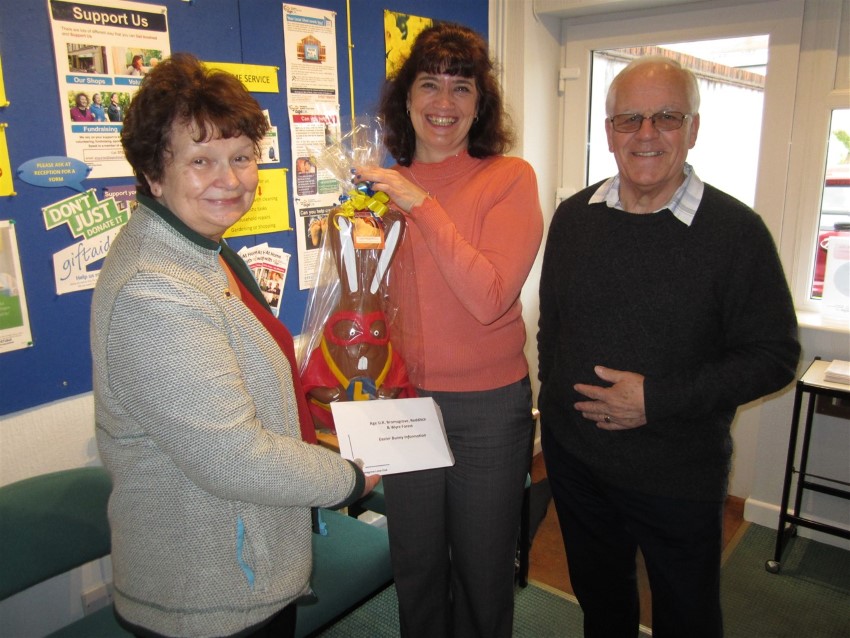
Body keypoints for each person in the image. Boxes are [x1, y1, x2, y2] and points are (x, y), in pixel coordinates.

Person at [90, 53, 378, 638]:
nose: (230, 180)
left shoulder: (202, 249)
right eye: (201, 161)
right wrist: (349, 477)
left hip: (239, 564)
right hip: (205, 591)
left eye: (242, 157)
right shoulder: (157, 287)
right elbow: (232, 457)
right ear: (152, 172)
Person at [537, 56, 800, 638]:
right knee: (602, 607)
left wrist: (657, 399)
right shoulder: (573, 219)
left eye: (666, 117)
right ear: (608, 132)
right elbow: (551, 326)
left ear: (694, 128)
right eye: (629, 118)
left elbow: (774, 355)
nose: (647, 134)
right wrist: (553, 404)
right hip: (577, 464)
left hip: (677, 475)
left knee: (687, 616)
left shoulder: (735, 233)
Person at [353, 22, 544, 638]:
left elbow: (488, 298)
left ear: (480, 104)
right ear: (405, 98)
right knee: (416, 565)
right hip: (404, 401)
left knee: (484, 571)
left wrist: (419, 203)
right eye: (429, 85)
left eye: (462, 88)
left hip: (488, 410)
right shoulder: (380, 191)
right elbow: (368, 300)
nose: (443, 103)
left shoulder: (508, 178)